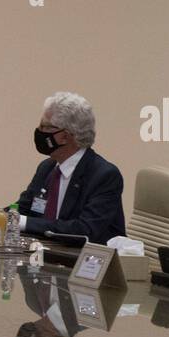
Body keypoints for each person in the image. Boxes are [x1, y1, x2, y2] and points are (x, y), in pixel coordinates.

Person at [17, 91, 125, 244]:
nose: (39, 131)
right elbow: (23, 209)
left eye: (44, 127)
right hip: (45, 255)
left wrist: (23, 222)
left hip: (85, 261)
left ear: (64, 136)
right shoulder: (47, 168)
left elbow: (84, 230)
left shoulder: (104, 176)